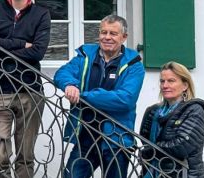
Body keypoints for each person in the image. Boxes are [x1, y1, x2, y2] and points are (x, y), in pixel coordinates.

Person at [53, 15, 144, 178]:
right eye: (104, 32)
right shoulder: (85, 55)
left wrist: (83, 96)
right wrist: (70, 85)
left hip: (117, 140)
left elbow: (125, 99)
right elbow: (62, 73)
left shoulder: (134, 65)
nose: (107, 37)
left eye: (113, 33)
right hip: (85, 135)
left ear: (124, 37)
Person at [0, 0, 51, 178]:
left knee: (25, 155)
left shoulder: (41, 14)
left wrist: (2, 45)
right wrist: (22, 43)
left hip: (30, 90)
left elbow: (38, 52)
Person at [139, 62, 204, 178]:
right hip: (153, 172)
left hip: (184, 174)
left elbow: (182, 146)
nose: (165, 85)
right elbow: (145, 140)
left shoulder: (194, 110)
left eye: (171, 81)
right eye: (162, 81)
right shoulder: (152, 112)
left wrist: (151, 150)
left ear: (185, 86)